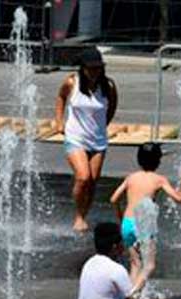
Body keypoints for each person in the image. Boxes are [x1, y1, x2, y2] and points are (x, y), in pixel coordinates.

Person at [110, 142, 181, 288]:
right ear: (158, 161)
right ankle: (133, 295)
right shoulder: (159, 179)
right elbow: (179, 199)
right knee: (149, 266)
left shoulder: (131, 177)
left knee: (135, 264)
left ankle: (128, 295)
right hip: (143, 224)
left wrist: (120, 215)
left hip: (127, 223)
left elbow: (113, 199)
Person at [55, 47, 118, 232]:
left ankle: (84, 215)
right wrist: (59, 122)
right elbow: (60, 98)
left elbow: (112, 107)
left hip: (98, 140)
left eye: (97, 68)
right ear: (82, 68)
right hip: (75, 137)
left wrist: (103, 125)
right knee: (83, 177)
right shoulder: (71, 83)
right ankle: (79, 216)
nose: (94, 72)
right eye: (90, 68)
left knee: (93, 181)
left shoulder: (108, 86)